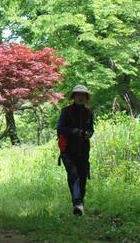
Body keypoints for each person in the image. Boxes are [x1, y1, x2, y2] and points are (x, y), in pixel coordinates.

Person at [56, 84, 94, 216]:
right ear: (74, 97)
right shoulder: (66, 111)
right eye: (78, 95)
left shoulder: (89, 112)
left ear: (86, 97)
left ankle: (80, 205)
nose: (80, 97)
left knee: (82, 176)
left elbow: (91, 129)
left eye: (83, 95)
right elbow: (60, 128)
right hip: (67, 150)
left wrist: (89, 133)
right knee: (73, 175)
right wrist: (73, 131)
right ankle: (77, 203)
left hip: (83, 150)